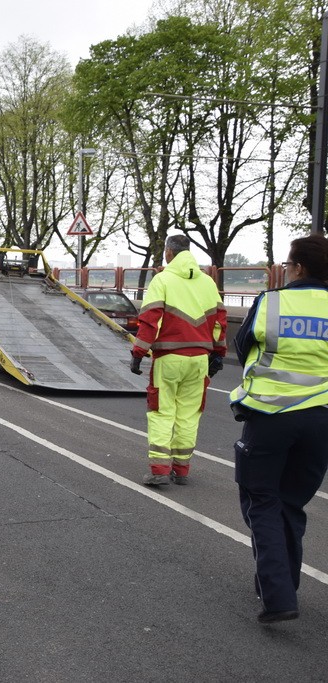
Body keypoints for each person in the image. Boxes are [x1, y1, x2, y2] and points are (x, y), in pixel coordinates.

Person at [229, 234, 328, 624]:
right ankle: (284, 582)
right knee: (290, 502)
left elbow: (242, 346)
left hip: (271, 415)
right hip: (321, 420)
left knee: (262, 501)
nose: (285, 271)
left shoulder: (271, 302)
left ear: (299, 268)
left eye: (287, 265)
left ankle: (277, 595)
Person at [130, 234, 227, 486]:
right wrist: (218, 353)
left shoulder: (162, 280)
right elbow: (219, 322)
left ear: (169, 252)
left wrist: (138, 354)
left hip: (170, 358)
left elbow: (150, 320)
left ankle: (159, 470)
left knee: (162, 412)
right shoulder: (208, 283)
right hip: (200, 360)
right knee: (189, 413)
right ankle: (181, 471)